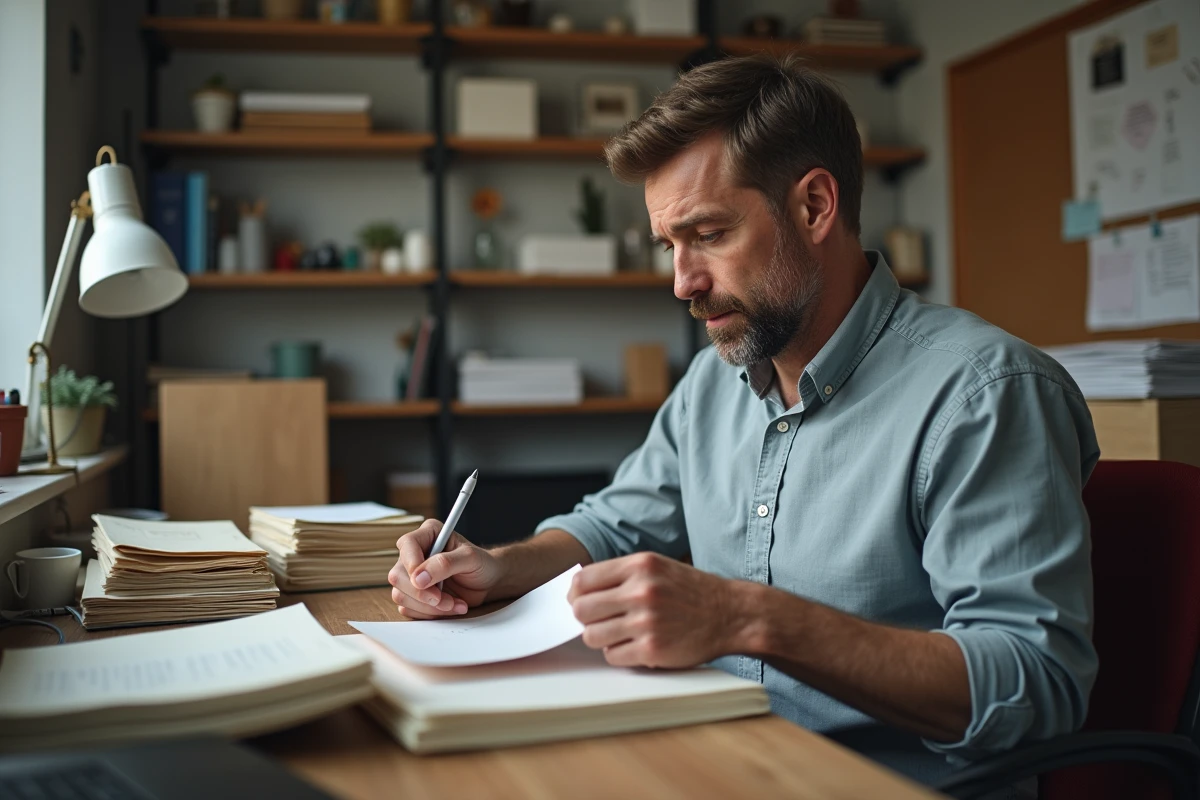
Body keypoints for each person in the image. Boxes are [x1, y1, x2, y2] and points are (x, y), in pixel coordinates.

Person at [389, 53, 1099, 787]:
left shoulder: (985, 394)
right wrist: (499, 568)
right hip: (714, 758)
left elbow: (1036, 686)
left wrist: (749, 619)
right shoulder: (713, 381)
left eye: (709, 234)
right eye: (670, 245)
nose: (681, 282)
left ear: (815, 207)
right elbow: (616, 527)